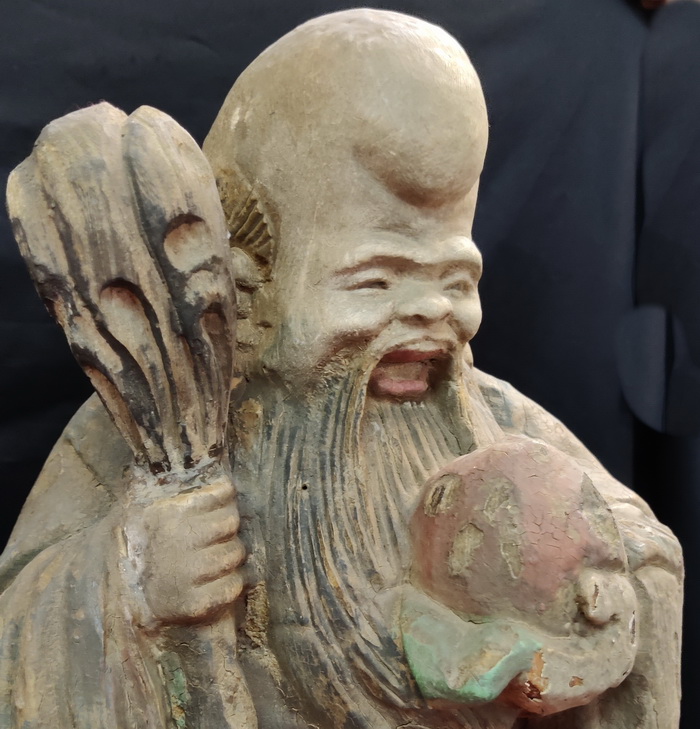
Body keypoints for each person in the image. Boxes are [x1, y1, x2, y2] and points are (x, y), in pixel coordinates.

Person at [0, 9, 682, 729]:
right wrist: (132, 575)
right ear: (253, 290)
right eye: (376, 281)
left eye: (455, 281)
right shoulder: (153, 423)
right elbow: (21, 630)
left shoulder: (500, 421)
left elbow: (643, 549)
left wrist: (606, 579)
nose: (430, 311)